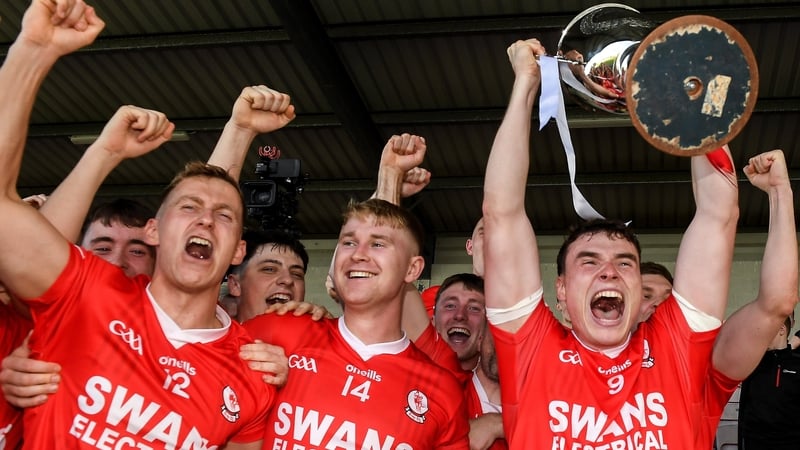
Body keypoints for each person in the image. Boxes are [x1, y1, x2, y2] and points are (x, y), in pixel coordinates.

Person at [0, 1, 296, 446]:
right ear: (154, 231)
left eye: (225, 218)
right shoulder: (84, 293)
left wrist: (239, 133)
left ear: (238, 251)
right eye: (188, 209)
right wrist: (32, 52)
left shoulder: (253, 373)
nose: (206, 221)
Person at [481, 37, 739, 449]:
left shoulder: (675, 346)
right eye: (588, 261)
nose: (609, 270)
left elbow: (718, 217)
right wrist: (525, 85)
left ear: (638, 288)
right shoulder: (531, 349)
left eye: (625, 263)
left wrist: (705, 103)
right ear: (560, 291)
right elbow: (501, 213)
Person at [243, 199, 469, 445]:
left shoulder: (442, 391)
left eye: (378, 244)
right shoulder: (279, 330)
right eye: (349, 242)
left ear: (412, 270)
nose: (358, 254)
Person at [737, 315, 800, 449]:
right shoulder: (753, 364)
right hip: (755, 443)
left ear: (781, 329)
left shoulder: (796, 365)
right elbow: (744, 410)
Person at [227, 229, 308, 323]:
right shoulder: (213, 335)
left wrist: (326, 329)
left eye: (296, 274)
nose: (288, 280)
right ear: (235, 285)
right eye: (269, 269)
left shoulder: (320, 332)